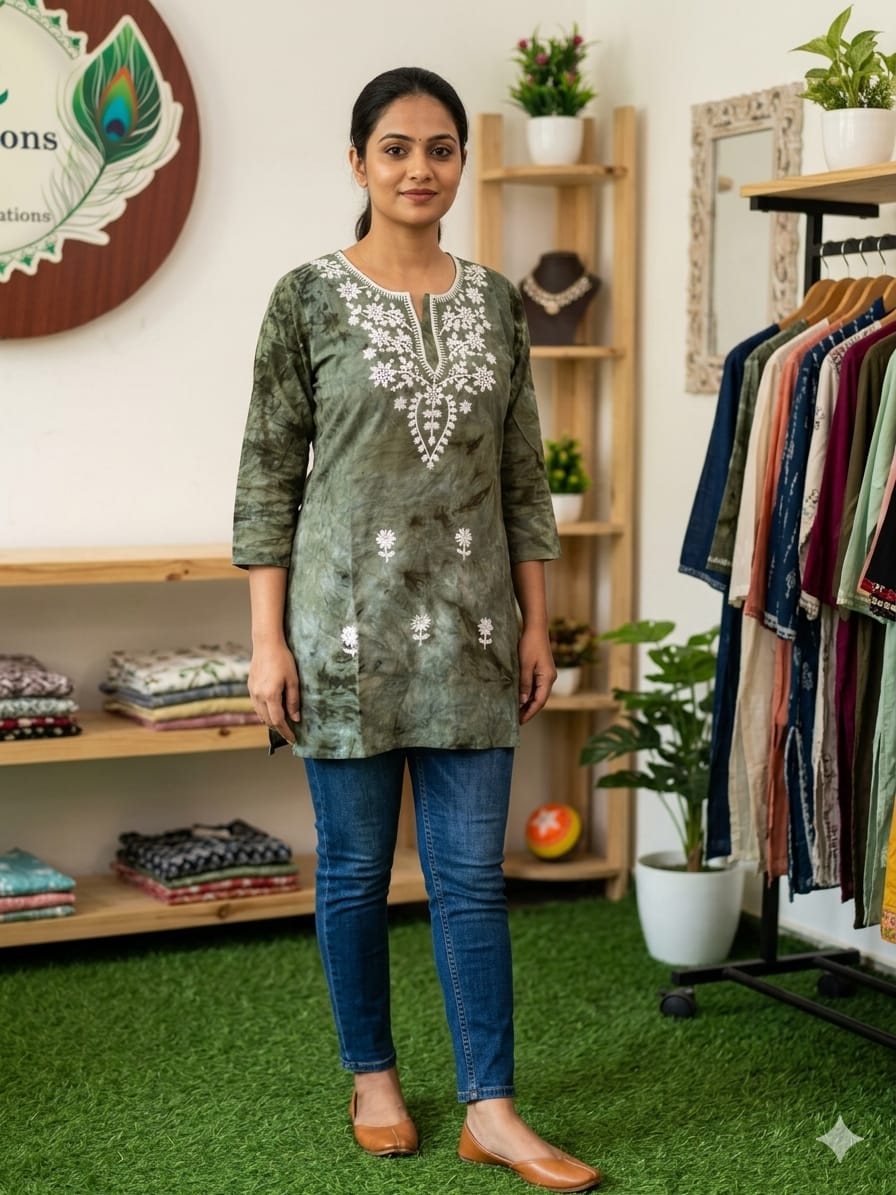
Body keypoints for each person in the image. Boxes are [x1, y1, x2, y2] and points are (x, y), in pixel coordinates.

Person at [232, 66, 602, 1193]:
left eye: (440, 148)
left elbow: (522, 475)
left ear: (460, 164)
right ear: (357, 163)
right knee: (353, 872)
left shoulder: (494, 303)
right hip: (342, 636)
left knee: (470, 878)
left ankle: (492, 1106)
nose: (418, 169)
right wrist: (267, 641)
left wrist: (538, 623)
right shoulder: (305, 298)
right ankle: (374, 1077)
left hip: (475, 632)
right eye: (394, 148)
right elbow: (267, 477)